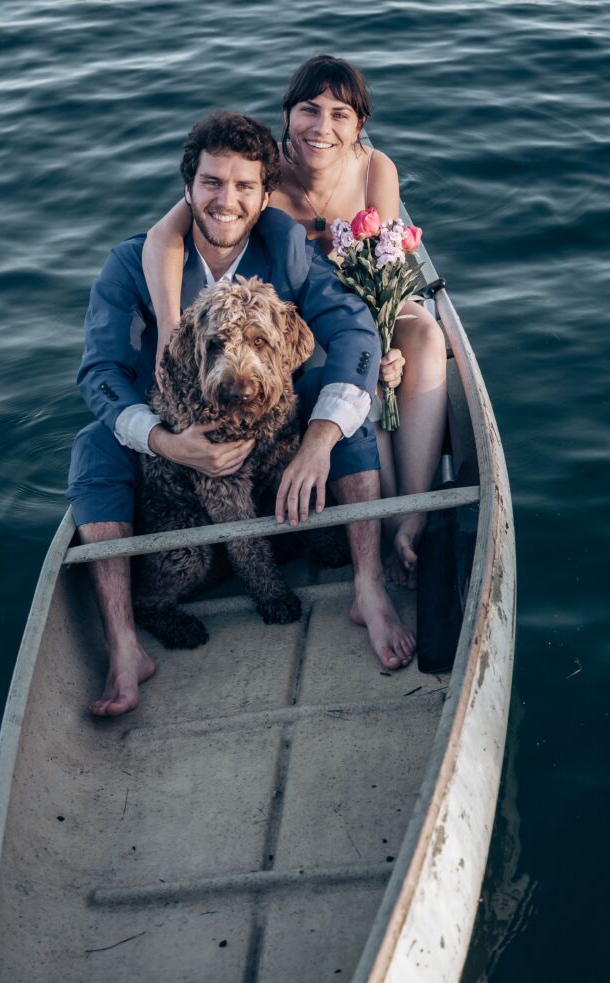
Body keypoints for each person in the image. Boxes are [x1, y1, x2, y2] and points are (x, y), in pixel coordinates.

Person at [67, 110, 416, 718]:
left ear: (264, 195)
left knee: (337, 409)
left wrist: (318, 442)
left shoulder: (286, 249)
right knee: (96, 443)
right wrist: (165, 442)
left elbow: (357, 335)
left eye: (244, 187)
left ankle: (367, 585)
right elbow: (99, 374)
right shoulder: (130, 265)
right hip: (179, 440)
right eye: (211, 183)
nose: (226, 201)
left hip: (272, 432)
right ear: (188, 188)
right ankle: (124, 642)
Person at [143, 55, 448, 589]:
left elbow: (387, 261)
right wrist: (171, 330)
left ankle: (412, 511)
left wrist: (382, 341)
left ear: (359, 127)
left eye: (340, 114)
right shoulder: (259, 177)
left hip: (362, 302)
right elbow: (162, 236)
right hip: (287, 314)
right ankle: (377, 528)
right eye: (310, 110)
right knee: (353, 376)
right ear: (287, 115)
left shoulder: (377, 170)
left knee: (421, 335)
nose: (322, 127)